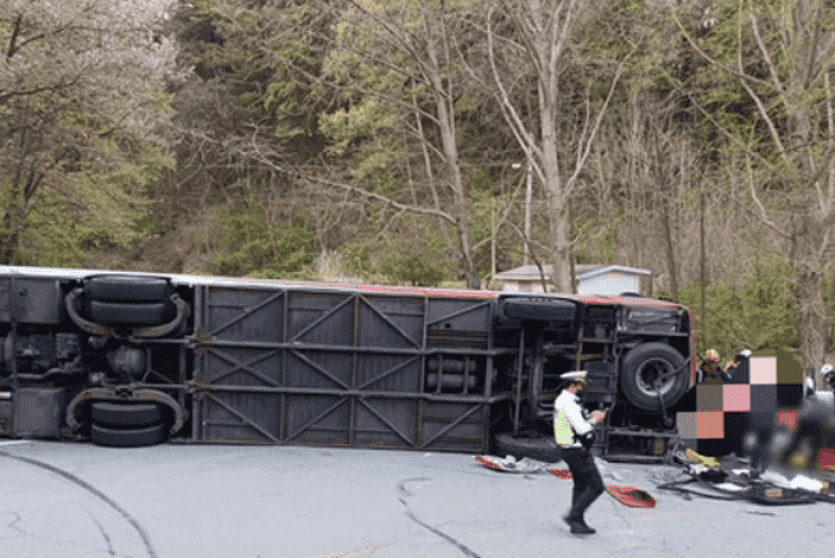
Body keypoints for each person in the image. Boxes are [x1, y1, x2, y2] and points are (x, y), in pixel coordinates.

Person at [553, 371, 606, 535]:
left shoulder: (565, 401)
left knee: (581, 485)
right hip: (576, 450)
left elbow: (573, 422)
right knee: (597, 486)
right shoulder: (568, 403)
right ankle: (573, 515)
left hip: (569, 449)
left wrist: (587, 417)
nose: (582, 388)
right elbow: (582, 429)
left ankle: (577, 524)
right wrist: (594, 420)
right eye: (580, 384)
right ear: (573, 385)